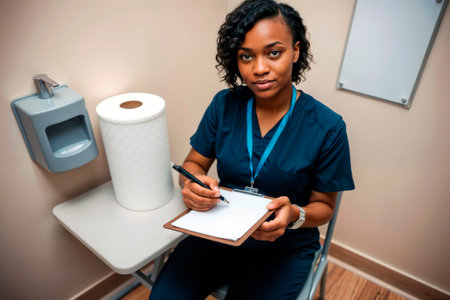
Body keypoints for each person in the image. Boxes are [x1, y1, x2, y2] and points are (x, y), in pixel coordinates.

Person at [150, 0, 354, 299]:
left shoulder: (327, 127)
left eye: (274, 53)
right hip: (218, 231)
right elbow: (193, 164)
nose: (259, 69)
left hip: (282, 247)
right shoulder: (224, 104)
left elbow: (324, 206)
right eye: (247, 56)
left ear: (295, 51)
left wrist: (294, 215)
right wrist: (192, 184)